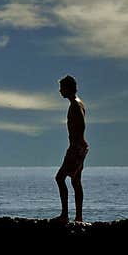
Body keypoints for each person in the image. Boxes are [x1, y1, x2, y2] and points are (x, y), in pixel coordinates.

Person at [53, 75, 89, 223]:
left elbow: (81, 124)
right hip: (78, 146)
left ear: (68, 88)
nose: (60, 91)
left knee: (59, 178)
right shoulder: (77, 103)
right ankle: (78, 217)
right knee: (75, 181)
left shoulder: (75, 104)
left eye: (62, 88)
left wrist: (76, 145)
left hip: (76, 147)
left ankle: (65, 215)